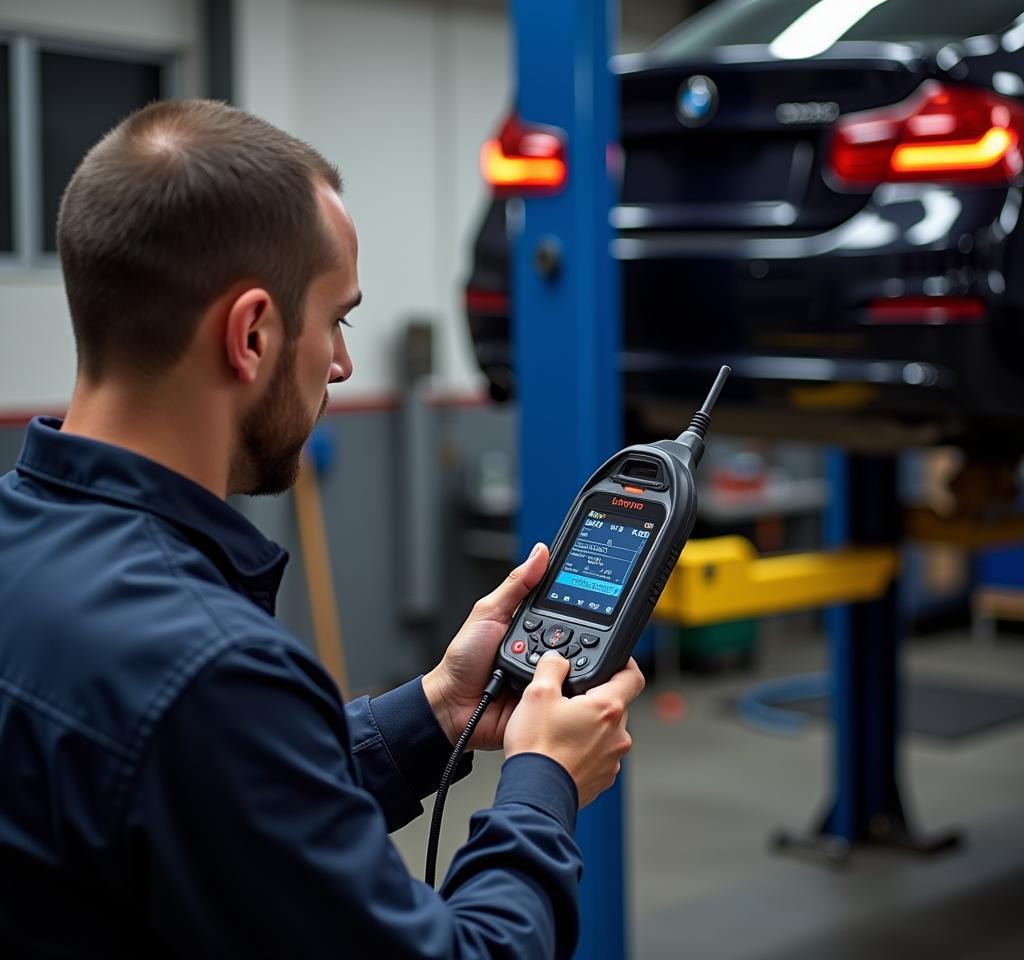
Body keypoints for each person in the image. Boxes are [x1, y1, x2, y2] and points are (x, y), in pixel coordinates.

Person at [0, 99, 644, 958]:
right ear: (253, 334)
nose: (342, 364)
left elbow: (217, 797)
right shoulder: (208, 670)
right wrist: (543, 785)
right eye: (337, 320)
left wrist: (436, 710)